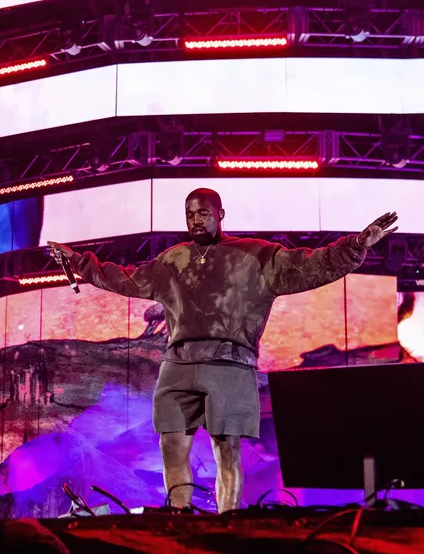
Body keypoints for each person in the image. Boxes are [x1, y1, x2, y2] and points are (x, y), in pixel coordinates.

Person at [48, 188, 398, 513]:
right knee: (171, 443)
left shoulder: (256, 255)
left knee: (226, 448)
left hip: (230, 362)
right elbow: (124, 277)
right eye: (189, 215)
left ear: (220, 214)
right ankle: (179, 515)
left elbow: (312, 264)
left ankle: (227, 519)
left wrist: (356, 245)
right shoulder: (172, 260)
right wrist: (79, 262)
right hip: (179, 362)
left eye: (202, 213)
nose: (196, 220)